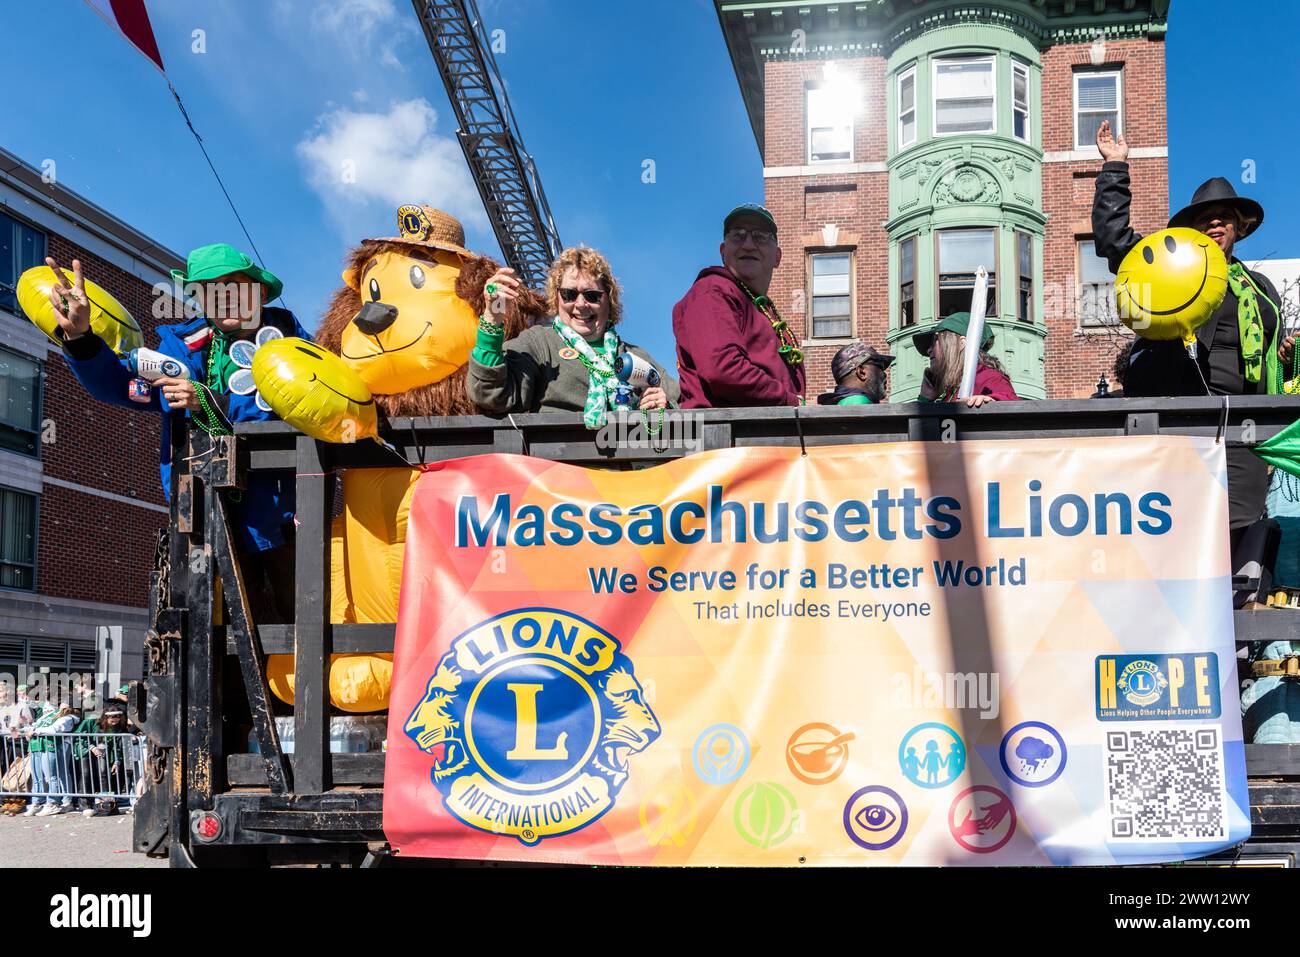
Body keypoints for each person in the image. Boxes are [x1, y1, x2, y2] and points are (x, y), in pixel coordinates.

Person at [48, 245, 311, 621]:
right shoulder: (180, 344)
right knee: (209, 646)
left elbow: (300, 404)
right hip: (201, 518)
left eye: (233, 287)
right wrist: (79, 336)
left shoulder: (292, 341)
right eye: (209, 290)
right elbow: (121, 384)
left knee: (297, 631)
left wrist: (209, 401)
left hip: (283, 520)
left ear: (260, 292)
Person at [1092, 120, 1286, 539]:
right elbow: (1115, 242)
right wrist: (1114, 169)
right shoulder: (1170, 265)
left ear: (1238, 228)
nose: (1216, 225)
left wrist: (1288, 357)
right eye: (1206, 220)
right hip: (1181, 421)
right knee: (1179, 531)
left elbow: (1275, 361)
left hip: (1245, 431)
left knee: (1239, 529)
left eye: (1224, 219)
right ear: (1193, 230)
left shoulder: (1262, 291)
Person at [468, 246, 677, 424]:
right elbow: (490, 394)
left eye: (592, 295)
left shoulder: (634, 356)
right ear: (556, 297)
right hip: (560, 465)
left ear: (609, 302)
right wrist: (493, 317)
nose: (580, 304)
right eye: (569, 294)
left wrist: (664, 406)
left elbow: (684, 404)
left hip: (631, 467)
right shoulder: (540, 343)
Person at [673, 204, 806, 408]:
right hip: (727, 435)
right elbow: (723, 369)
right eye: (738, 235)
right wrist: (791, 402)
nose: (748, 245)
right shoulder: (712, 290)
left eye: (760, 236)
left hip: (770, 433)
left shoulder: (765, 311)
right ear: (723, 252)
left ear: (777, 257)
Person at [913, 312, 1018, 406]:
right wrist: (926, 399)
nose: (929, 350)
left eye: (935, 340)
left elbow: (1015, 408)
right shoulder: (951, 391)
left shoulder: (988, 377)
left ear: (962, 343)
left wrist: (991, 403)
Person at [72, 704, 130, 816]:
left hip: (104, 751)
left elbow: (117, 745)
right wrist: (92, 747)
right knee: (86, 774)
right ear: (105, 717)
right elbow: (78, 735)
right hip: (85, 748)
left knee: (104, 773)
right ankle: (85, 805)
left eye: (118, 717)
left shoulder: (118, 727)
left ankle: (104, 803)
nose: (115, 721)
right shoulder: (92, 721)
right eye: (112, 718)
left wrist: (117, 761)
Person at [23, 703, 77, 816]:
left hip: (53, 746)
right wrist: (26, 730)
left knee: (53, 776)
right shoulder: (46, 716)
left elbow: (53, 729)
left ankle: (54, 802)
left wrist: (36, 731)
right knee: (37, 777)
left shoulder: (69, 718)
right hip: (37, 746)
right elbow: (33, 726)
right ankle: (37, 802)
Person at [817, 343, 894, 405]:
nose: (885, 374)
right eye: (879, 367)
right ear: (861, 372)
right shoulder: (860, 403)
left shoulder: (839, 404)